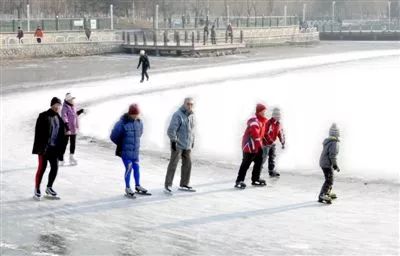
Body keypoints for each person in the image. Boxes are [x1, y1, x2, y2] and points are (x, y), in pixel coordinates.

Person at [110, 104, 148, 198]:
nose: (136, 116)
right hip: (125, 151)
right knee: (129, 168)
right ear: (130, 113)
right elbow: (113, 136)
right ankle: (127, 188)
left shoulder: (139, 122)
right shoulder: (122, 123)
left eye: (137, 114)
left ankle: (138, 186)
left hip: (135, 151)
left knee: (137, 168)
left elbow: (140, 134)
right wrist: (122, 144)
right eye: (134, 114)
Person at [32, 97, 67, 200]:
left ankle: (49, 187)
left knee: (55, 167)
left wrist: (61, 149)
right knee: (42, 168)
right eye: (56, 105)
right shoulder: (43, 116)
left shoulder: (58, 118)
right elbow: (38, 133)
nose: (57, 107)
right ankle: (37, 189)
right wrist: (40, 148)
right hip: (44, 148)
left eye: (59, 105)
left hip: (54, 149)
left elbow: (61, 134)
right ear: (52, 105)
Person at [164, 97, 196, 194]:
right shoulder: (177, 115)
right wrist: (173, 141)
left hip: (187, 145)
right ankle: (168, 185)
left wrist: (192, 141)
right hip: (177, 145)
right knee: (173, 164)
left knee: (188, 164)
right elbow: (171, 130)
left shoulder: (192, 115)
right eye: (188, 104)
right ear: (184, 104)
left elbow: (192, 130)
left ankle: (184, 184)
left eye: (191, 104)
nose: (190, 106)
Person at [235, 104, 268, 189]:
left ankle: (255, 179)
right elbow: (255, 132)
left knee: (259, 162)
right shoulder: (254, 120)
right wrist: (258, 143)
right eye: (263, 111)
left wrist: (264, 140)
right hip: (249, 146)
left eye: (265, 111)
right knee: (246, 164)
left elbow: (261, 134)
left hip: (257, 146)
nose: (264, 112)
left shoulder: (262, 121)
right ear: (259, 111)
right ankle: (239, 181)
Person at [318, 123, 341, 204]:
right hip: (327, 164)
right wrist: (335, 165)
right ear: (337, 133)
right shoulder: (334, 143)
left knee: (329, 179)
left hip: (323, 162)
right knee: (329, 180)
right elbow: (332, 155)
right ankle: (323, 194)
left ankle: (326, 193)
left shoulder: (328, 141)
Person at [60, 93, 85, 166]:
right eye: (71, 99)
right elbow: (64, 117)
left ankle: (71, 157)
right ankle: (61, 159)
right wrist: (67, 127)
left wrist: (80, 111)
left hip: (73, 129)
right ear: (68, 100)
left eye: (72, 99)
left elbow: (74, 115)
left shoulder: (73, 106)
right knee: (64, 144)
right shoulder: (65, 107)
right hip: (67, 129)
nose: (72, 100)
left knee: (73, 143)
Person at [262, 107, 285, 177]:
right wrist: (270, 141)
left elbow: (280, 133)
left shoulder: (278, 124)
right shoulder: (268, 123)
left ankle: (271, 171)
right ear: (273, 115)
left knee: (272, 158)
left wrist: (282, 142)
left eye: (279, 115)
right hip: (265, 144)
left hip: (272, 144)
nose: (278, 116)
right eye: (276, 115)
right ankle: (257, 171)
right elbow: (265, 133)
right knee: (263, 158)